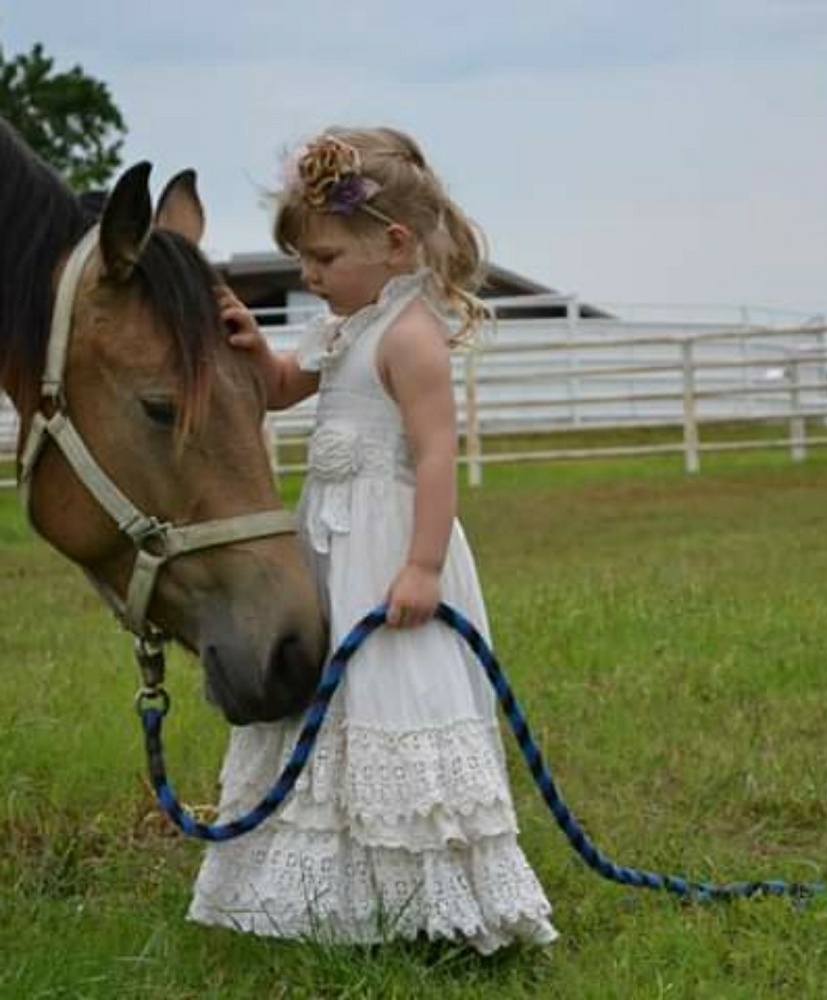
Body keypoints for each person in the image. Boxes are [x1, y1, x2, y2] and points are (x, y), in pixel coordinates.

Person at [187, 126, 557, 953]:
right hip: (327, 545)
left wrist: (422, 565)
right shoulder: (343, 327)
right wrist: (251, 343)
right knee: (327, 700)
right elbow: (284, 390)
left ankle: (430, 902)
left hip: (389, 549)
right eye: (302, 263)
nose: (309, 278)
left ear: (393, 245)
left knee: (394, 693)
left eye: (322, 259)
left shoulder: (409, 336)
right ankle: (331, 895)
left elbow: (433, 457)